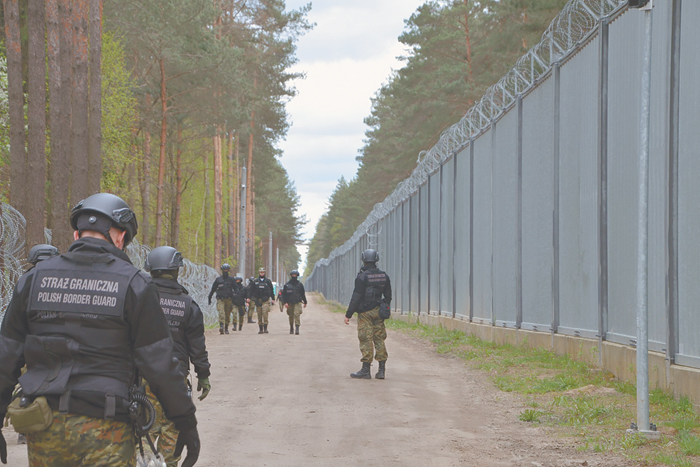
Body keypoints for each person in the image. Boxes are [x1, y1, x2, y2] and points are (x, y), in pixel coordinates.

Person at [0, 192, 200, 467]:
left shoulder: (34, 279)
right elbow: (160, 363)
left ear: (76, 234)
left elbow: (7, 355)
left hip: (43, 425)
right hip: (107, 428)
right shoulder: (135, 284)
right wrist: (185, 420)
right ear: (119, 237)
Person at [144, 246, 211, 467]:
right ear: (178, 270)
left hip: (142, 379)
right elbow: (197, 347)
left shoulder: (139, 299)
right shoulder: (188, 305)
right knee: (172, 433)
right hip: (175, 379)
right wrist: (203, 375)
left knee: (142, 431)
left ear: (150, 270)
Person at [343, 249, 392, 380]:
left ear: (363, 259)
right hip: (379, 312)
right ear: (376, 259)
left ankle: (366, 370)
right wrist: (383, 306)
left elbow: (356, 297)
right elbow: (388, 296)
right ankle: (381, 371)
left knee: (365, 339)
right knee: (379, 339)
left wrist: (348, 314)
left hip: (365, 312)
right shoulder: (384, 276)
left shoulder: (362, 276)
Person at [208, 263, 236, 334]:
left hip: (229, 299)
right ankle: (221, 326)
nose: (225, 271)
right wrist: (209, 297)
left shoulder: (231, 280)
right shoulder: (218, 280)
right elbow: (213, 289)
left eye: (226, 270)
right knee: (221, 313)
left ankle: (226, 328)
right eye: (224, 270)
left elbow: (236, 289)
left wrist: (236, 297)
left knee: (227, 314)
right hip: (221, 299)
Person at [246, 267, 275, 334]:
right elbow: (251, 290)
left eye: (263, 272)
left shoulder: (268, 281)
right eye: (261, 272)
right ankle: (260, 328)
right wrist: (248, 297)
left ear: (264, 273)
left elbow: (271, 290)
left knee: (265, 313)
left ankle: (265, 327)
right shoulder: (255, 281)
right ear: (259, 273)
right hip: (258, 300)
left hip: (266, 300)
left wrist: (273, 299)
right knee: (259, 314)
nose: (262, 273)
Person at [281, 270, 307, 335]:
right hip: (289, 303)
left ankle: (297, 328)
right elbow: (284, 295)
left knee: (297, 314)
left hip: (297, 302)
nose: (294, 276)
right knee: (291, 315)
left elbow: (302, 294)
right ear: (291, 275)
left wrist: (305, 302)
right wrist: (285, 302)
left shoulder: (300, 285)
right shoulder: (287, 285)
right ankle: (291, 327)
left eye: (295, 275)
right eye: (293, 275)